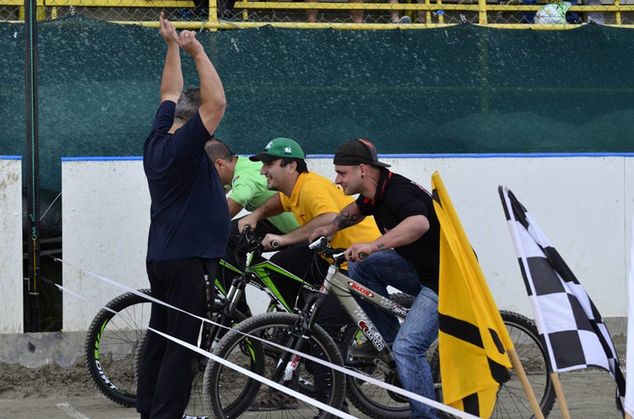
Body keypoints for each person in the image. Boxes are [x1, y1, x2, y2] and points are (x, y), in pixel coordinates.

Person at [238, 137, 381, 409]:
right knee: (281, 266)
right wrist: (255, 215)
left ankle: (335, 407)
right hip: (332, 258)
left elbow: (328, 218)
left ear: (291, 165)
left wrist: (285, 238)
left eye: (269, 164)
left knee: (320, 328)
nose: (262, 170)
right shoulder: (294, 189)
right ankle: (301, 322)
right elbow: (277, 203)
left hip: (357, 265)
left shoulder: (311, 187)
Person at [137, 13, 229, 419]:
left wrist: (171, 44)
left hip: (163, 258)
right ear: (194, 123)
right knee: (182, 345)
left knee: (160, 337)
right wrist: (197, 50)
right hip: (189, 260)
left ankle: (149, 409)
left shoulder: (157, 137)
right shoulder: (186, 143)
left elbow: (168, 92)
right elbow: (218, 102)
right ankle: (166, 415)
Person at [311, 138, 441, 419]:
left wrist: (373, 244)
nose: (336, 180)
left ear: (362, 169)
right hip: (418, 268)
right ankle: (392, 346)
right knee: (362, 267)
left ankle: (425, 413)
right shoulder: (375, 191)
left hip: (446, 280)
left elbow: (419, 224)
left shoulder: (399, 193)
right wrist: (332, 227)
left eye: (341, 173)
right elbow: (355, 211)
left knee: (410, 348)